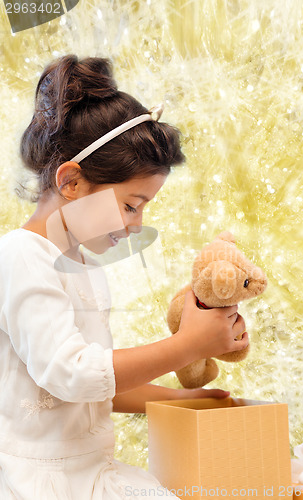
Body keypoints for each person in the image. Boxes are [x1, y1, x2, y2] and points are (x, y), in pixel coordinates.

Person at [0, 55, 248, 499]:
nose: (135, 225)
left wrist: (173, 400)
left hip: (94, 471)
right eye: (131, 205)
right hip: (39, 480)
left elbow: (95, 388)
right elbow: (71, 374)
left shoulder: (85, 268)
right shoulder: (20, 257)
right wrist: (189, 345)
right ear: (71, 182)